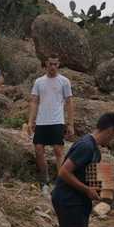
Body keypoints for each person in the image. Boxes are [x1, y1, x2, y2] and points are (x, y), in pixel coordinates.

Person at [28, 56, 74, 196]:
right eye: (50, 64)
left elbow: (69, 102)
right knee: (38, 149)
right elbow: (34, 101)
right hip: (42, 121)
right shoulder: (39, 81)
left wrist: (70, 123)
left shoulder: (64, 81)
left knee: (58, 151)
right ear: (46, 64)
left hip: (57, 120)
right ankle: (45, 182)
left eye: (55, 64)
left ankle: (61, 184)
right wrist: (30, 121)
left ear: (58, 64)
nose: (53, 66)